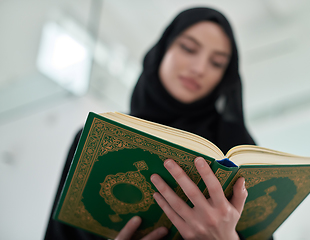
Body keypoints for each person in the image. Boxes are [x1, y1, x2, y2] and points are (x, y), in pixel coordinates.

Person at [44, 7, 272, 240]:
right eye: (188, 48)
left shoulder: (237, 149)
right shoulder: (96, 138)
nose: (199, 69)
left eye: (217, 63)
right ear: (163, 49)